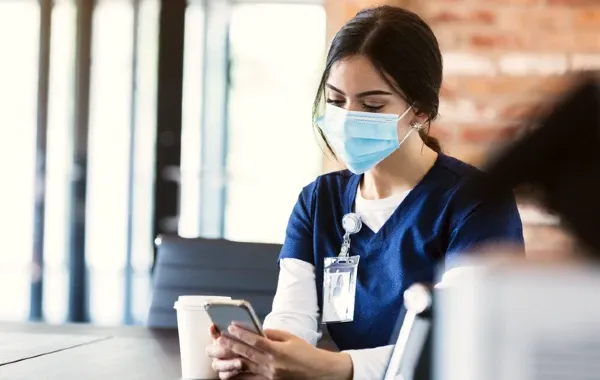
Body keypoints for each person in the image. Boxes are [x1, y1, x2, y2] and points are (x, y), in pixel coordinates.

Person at [207, 5, 524, 379]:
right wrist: (263, 353)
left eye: (372, 105)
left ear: (420, 110)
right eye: (336, 101)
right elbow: (293, 318)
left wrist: (338, 366)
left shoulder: (477, 203)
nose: (347, 118)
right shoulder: (318, 201)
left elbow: (456, 344)